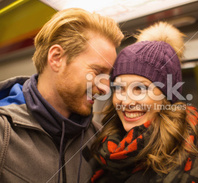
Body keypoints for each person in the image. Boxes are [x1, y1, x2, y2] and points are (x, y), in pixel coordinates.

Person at [91, 22, 198, 183]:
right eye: (120, 88)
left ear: (166, 98)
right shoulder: (100, 157)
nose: (126, 102)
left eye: (140, 88)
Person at [0, 8, 124, 183]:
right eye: (97, 71)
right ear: (57, 58)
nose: (105, 89)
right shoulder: (4, 133)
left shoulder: (99, 140)